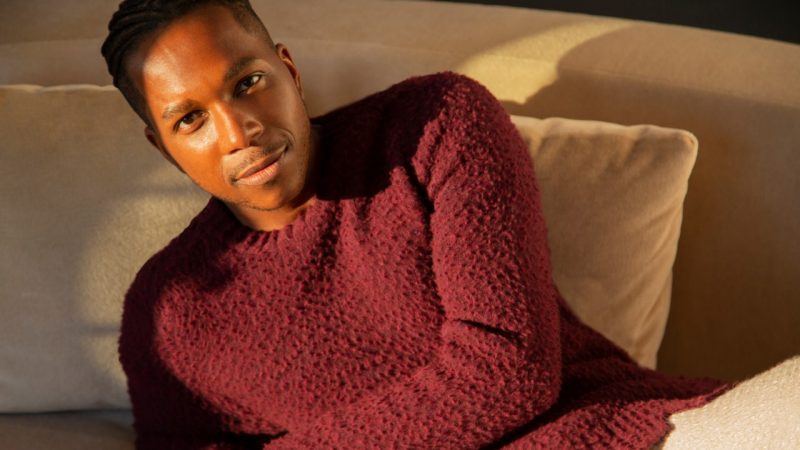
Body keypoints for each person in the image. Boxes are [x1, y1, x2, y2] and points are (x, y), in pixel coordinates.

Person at [101, 1, 730, 448]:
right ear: (162, 147)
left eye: (249, 82)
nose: (241, 132)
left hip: (620, 426)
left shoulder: (434, 125)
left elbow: (508, 369)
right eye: (191, 120)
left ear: (289, 71)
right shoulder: (169, 313)